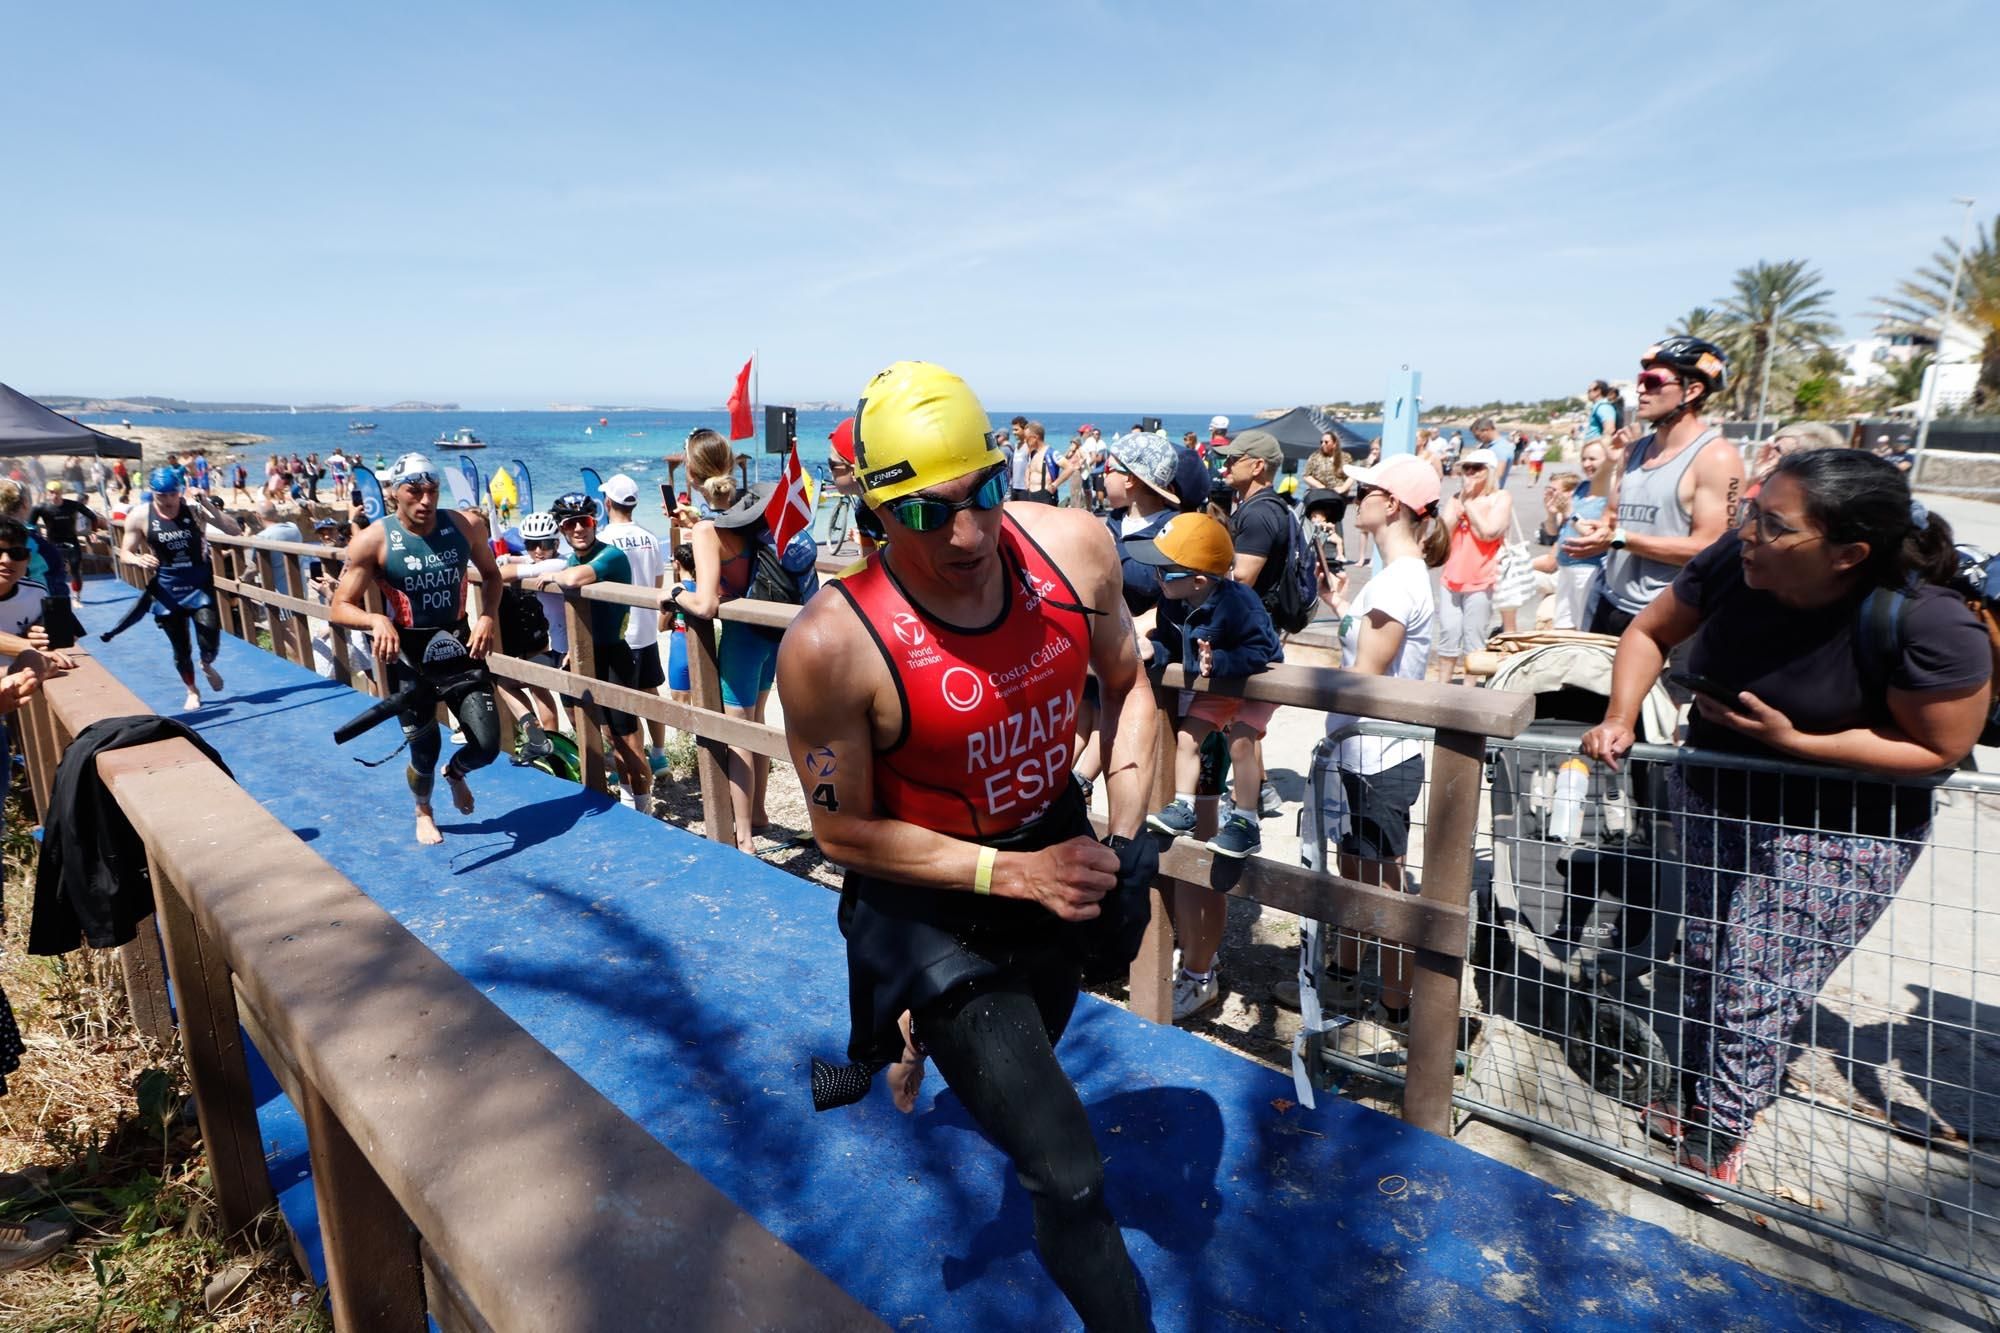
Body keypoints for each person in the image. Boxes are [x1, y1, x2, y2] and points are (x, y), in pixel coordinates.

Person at [777, 361, 1158, 1332]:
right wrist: (1005, 870)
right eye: (927, 511)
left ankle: (907, 1033)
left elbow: (1130, 683)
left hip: (1053, 860)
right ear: (871, 510)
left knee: (1041, 1030)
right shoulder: (832, 643)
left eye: (986, 491)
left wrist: (1122, 835)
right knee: (1067, 1175)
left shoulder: (1073, 550)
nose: (971, 532)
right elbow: (837, 827)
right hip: (931, 901)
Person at [1581, 449, 1991, 1194]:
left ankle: (1719, 1135)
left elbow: (1940, 744)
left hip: (1844, 828)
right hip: (1715, 791)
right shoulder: (1732, 565)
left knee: (1754, 977)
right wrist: (1618, 716)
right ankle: (1708, 1094)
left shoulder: (1930, 622)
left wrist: (1798, 743)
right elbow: (1648, 632)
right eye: (1750, 512)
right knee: (1707, 958)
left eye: (1773, 525)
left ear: (1848, 554)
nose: (1746, 532)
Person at [1311, 455, 1447, 1022]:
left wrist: (1302, 682)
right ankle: (1351, 979)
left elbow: (1365, 677)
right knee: (1362, 874)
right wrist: (1342, 607)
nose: (1353, 497)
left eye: (1364, 490)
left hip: (1377, 757)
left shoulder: (1397, 582)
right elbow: (1375, 659)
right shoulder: (1397, 579)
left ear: (1391, 503)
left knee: (1381, 890)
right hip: (1370, 755)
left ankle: (1395, 1004)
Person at [1134, 512, 1283, 1019]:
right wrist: (1153, 651)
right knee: (1189, 738)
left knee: (1243, 742)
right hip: (1210, 691)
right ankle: (1178, 805)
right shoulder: (1175, 601)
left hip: (1248, 687)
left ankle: (1245, 818)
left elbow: (1264, 653)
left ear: (1198, 579)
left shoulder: (1238, 604)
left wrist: (1221, 665)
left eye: (1165, 571)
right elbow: (1170, 644)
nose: (1157, 578)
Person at [328, 453, 504, 846]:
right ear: (394, 493)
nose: (425, 500)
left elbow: (492, 576)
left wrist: (488, 616)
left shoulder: (465, 525)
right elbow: (340, 606)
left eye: (433, 490)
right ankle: (423, 810)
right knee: (425, 750)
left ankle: (455, 773)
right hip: (409, 659)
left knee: (489, 745)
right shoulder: (373, 539)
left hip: (460, 651)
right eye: (415, 491)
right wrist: (376, 620)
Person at [1565, 337, 1745, 643]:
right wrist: (1597, 534)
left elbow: (1712, 549)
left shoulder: (1717, 458)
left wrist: (1621, 539)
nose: (1640, 390)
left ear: (1692, 390)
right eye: (1640, 381)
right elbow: (1612, 520)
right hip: (1611, 603)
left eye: (1652, 382)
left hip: (1670, 617)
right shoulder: (1630, 453)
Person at [667, 430, 777, 850]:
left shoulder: (707, 531)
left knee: (737, 731)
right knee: (759, 722)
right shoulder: (752, 510)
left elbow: (706, 604)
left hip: (742, 638)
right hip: (772, 630)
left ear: (691, 476)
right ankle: (761, 813)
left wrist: (678, 592)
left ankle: (744, 836)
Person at [1071, 431, 1181, 801]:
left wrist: (1141, 624)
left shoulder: (1174, 530)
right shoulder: (1108, 524)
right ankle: (1060, 786)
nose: (1103, 476)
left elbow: (1180, 596)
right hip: (1097, 648)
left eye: (1109, 469)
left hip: (1139, 648)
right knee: (1084, 713)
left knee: (1115, 713)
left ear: (1130, 478)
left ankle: (1079, 784)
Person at [546, 491, 654, 810]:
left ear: (596, 522)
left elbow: (573, 578)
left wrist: (550, 574)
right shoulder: (571, 557)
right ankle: (624, 796)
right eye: (570, 525)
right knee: (599, 733)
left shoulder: (611, 556)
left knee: (628, 740)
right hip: (587, 653)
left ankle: (644, 803)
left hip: (616, 654)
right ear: (562, 530)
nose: (578, 529)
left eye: (585, 521)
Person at [1214, 427, 1294, 819]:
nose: (1225, 464)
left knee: (1239, 717)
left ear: (1258, 465)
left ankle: (1252, 798)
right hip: (1261, 625)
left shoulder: (1260, 513)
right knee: (1240, 718)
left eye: (1234, 459)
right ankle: (1260, 790)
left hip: (1252, 630)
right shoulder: (1264, 505)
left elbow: (1243, 576)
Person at [117, 466, 241, 710]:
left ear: (180, 491)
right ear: (153, 493)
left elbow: (234, 530)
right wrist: (138, 559)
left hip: (199, 585)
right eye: (161, 496)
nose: (168, 501)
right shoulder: (140, 516)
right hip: (168, 589)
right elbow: (124, 553)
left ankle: (206, 664)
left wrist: (207, 503)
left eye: (172, 494)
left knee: (209, 635)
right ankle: (192, 690)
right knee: (180, 648)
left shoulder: (195, 511)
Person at [598, 474, 671, 771]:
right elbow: (657, 586)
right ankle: (659, 754)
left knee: (619, 703)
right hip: (645, 629)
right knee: (650, 692)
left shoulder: (603, 540)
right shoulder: (650, 538)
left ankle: (630, 765)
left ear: (607, 503)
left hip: (618, 633)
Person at [1433, 447, 1510, 683]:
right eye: (1466, 467)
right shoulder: (1456, 499)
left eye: (1476, 468)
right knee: (1448, 634)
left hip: (1482, 578)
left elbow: (1489, 533)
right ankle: (1442, 688)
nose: (1470, 473)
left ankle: (1468, 692)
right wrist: (1460, 505)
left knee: (1474, 639)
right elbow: (1443, 532)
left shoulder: (1500, 497)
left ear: (1488, 472)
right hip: (1452, 577)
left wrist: (1470, 506)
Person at [28, 481, 104, 596]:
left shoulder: (73, 505)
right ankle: (53, 595)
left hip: (71, 542)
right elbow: (30, 527)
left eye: (57, 492)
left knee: (75, 568)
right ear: (47, 493)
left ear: (61, 492)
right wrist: (37, 542)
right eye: (52, 492)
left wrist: (93, 531)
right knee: (53, 570)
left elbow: (93, 517)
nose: (55, 495)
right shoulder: (40, 508)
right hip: (53, 543)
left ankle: (77, 597)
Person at [1746, 421, 1846, 500]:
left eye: (1778, 449)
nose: (1770, 452)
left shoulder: (1781, 500)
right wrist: (1756, 478)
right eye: (1774, 444)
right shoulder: (1765, 488)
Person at [1008, 420, 1061, 503]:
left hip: (1044, 494)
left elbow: (1069, 468)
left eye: (1027, 438)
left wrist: (1055, 485)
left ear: (1034, 438)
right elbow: (1029, 467)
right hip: (1029, 492)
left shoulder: (1050, 452)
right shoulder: (1030, 451)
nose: (1025, 441)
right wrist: (1027, 482)